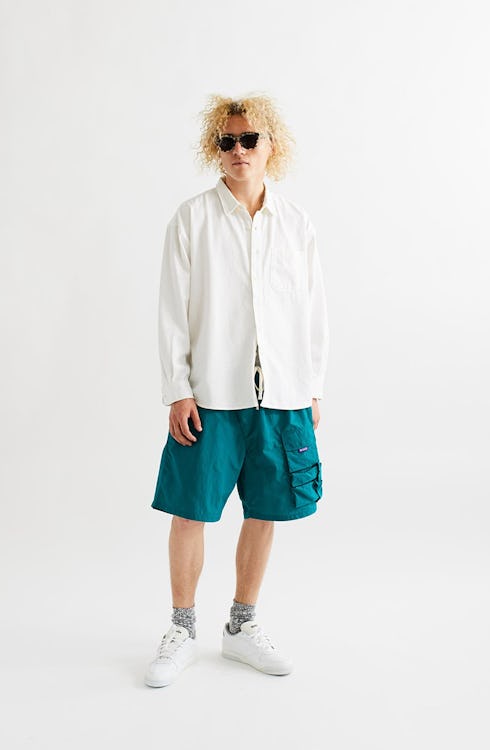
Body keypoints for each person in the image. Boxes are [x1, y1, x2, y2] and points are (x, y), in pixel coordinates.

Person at [145, 93, 330, 688]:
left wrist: (311, 386)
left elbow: (313, 311)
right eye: (227, 141)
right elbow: (172, 311)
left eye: (250, 139)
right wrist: (178, 388)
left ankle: (241, 626)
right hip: (210, 395)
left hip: (281, 395)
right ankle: (181, 629)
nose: (238, 150)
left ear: (271, 146)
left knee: (267, 508)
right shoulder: (192, 219)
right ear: (216, 150)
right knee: (189, 510)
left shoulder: (296, 224)